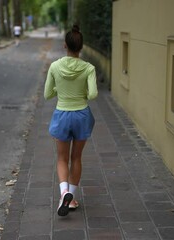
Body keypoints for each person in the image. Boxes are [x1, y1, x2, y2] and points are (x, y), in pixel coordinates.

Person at [44, 24, 98, 216]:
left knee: (61, 158)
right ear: (81, 47)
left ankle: (64, 192)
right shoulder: (89, 68)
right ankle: (71, 198)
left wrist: (60, 89)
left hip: (62, 114)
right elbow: (93, 94)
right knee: (76, 157)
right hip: (81, 114)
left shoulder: (55, 66)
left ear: (64, 46)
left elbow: (47, 94)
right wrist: (80, 92)